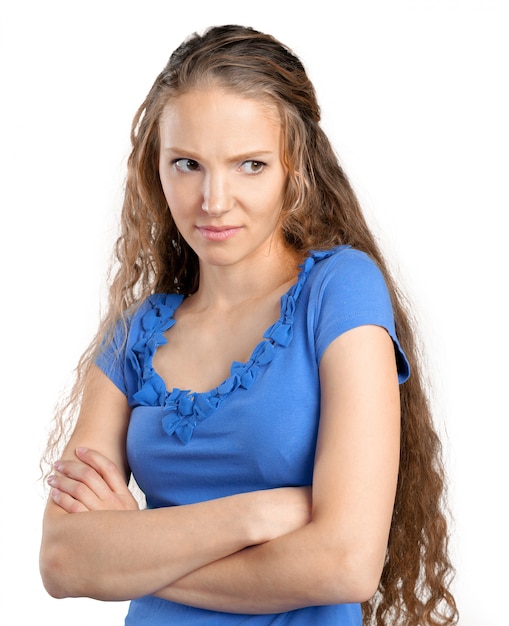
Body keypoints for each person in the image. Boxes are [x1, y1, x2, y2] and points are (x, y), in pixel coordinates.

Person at [39, 24, 458, 626]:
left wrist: (135, 545)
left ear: (296, 168)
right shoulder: (134, 335)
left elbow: (344, 564)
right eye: (187, 164)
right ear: (153, 167)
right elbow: (62, 560)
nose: (213, 199)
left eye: (250, 165)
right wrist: (255, 516)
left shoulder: (338, 290)